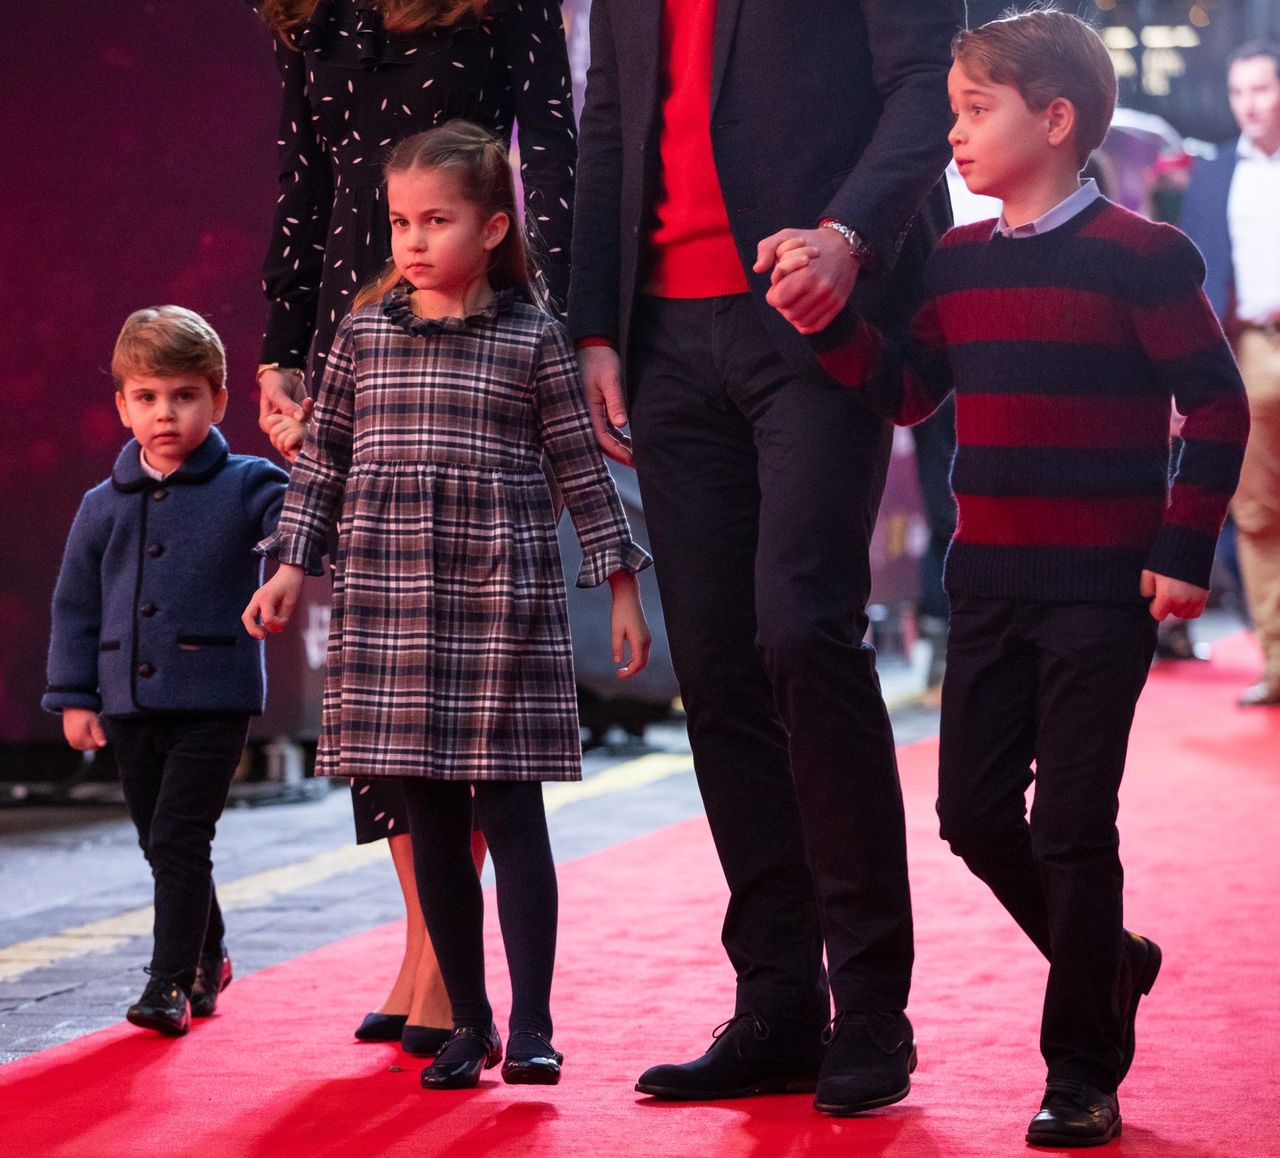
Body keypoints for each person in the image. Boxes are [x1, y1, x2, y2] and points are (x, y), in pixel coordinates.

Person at [808, 9, 1249, 1146]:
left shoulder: (1145, 256)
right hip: (990, 587)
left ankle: (1080, 1074)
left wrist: (1178, 551)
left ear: (1052, 121)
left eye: (971, 109)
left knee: (1069, 827)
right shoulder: (954, 264)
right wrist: (825, 326)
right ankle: (1109, 957)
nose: (950, 133)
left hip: (1103, 594)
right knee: (966, 812)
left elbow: (1213, 403)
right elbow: (908, 393)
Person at [569, 0, 958, 1115]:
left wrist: (848, 234)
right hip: (661, 336)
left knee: (801, 631)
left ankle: (874, 1011)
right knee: (718, 669)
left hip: (812, 307)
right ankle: (777, 1007)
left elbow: (924, 83)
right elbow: (610, 120)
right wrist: (595, 324)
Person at [243, 122, 652, 1089]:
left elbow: (581, 473)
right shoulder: (360, 335)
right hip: (387, 599)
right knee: (425, 819)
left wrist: (624, 587)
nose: (414, 240)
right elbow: (323, 465)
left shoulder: (534, 339)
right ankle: (468, 1023)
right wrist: (291, 567)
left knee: (513, 818)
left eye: (437, 219)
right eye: (399, 222)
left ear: (495, 225)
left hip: (500, 602)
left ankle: (537, 1022)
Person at [44, 307, 288, 1036]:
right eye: (146, 397)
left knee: (182, 838)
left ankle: (167, 982)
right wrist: (73, 697)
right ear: (121, 406)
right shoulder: (99, 506)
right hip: (124, 698)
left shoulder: (251, 483)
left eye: (183, 396)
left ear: (217, 400)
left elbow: (308, 530)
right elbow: (76, 606)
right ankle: (209, 953)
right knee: (160, 841)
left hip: (213, 696)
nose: (165, 413)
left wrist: (304, 457)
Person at [1180, 42, 1280, 706]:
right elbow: (1195, 276)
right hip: (1247, 351)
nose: (1249, 103)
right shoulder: (1212, 177)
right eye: (1239, 91)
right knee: (1256, 513)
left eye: (1262, 89)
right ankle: (1277, 660)